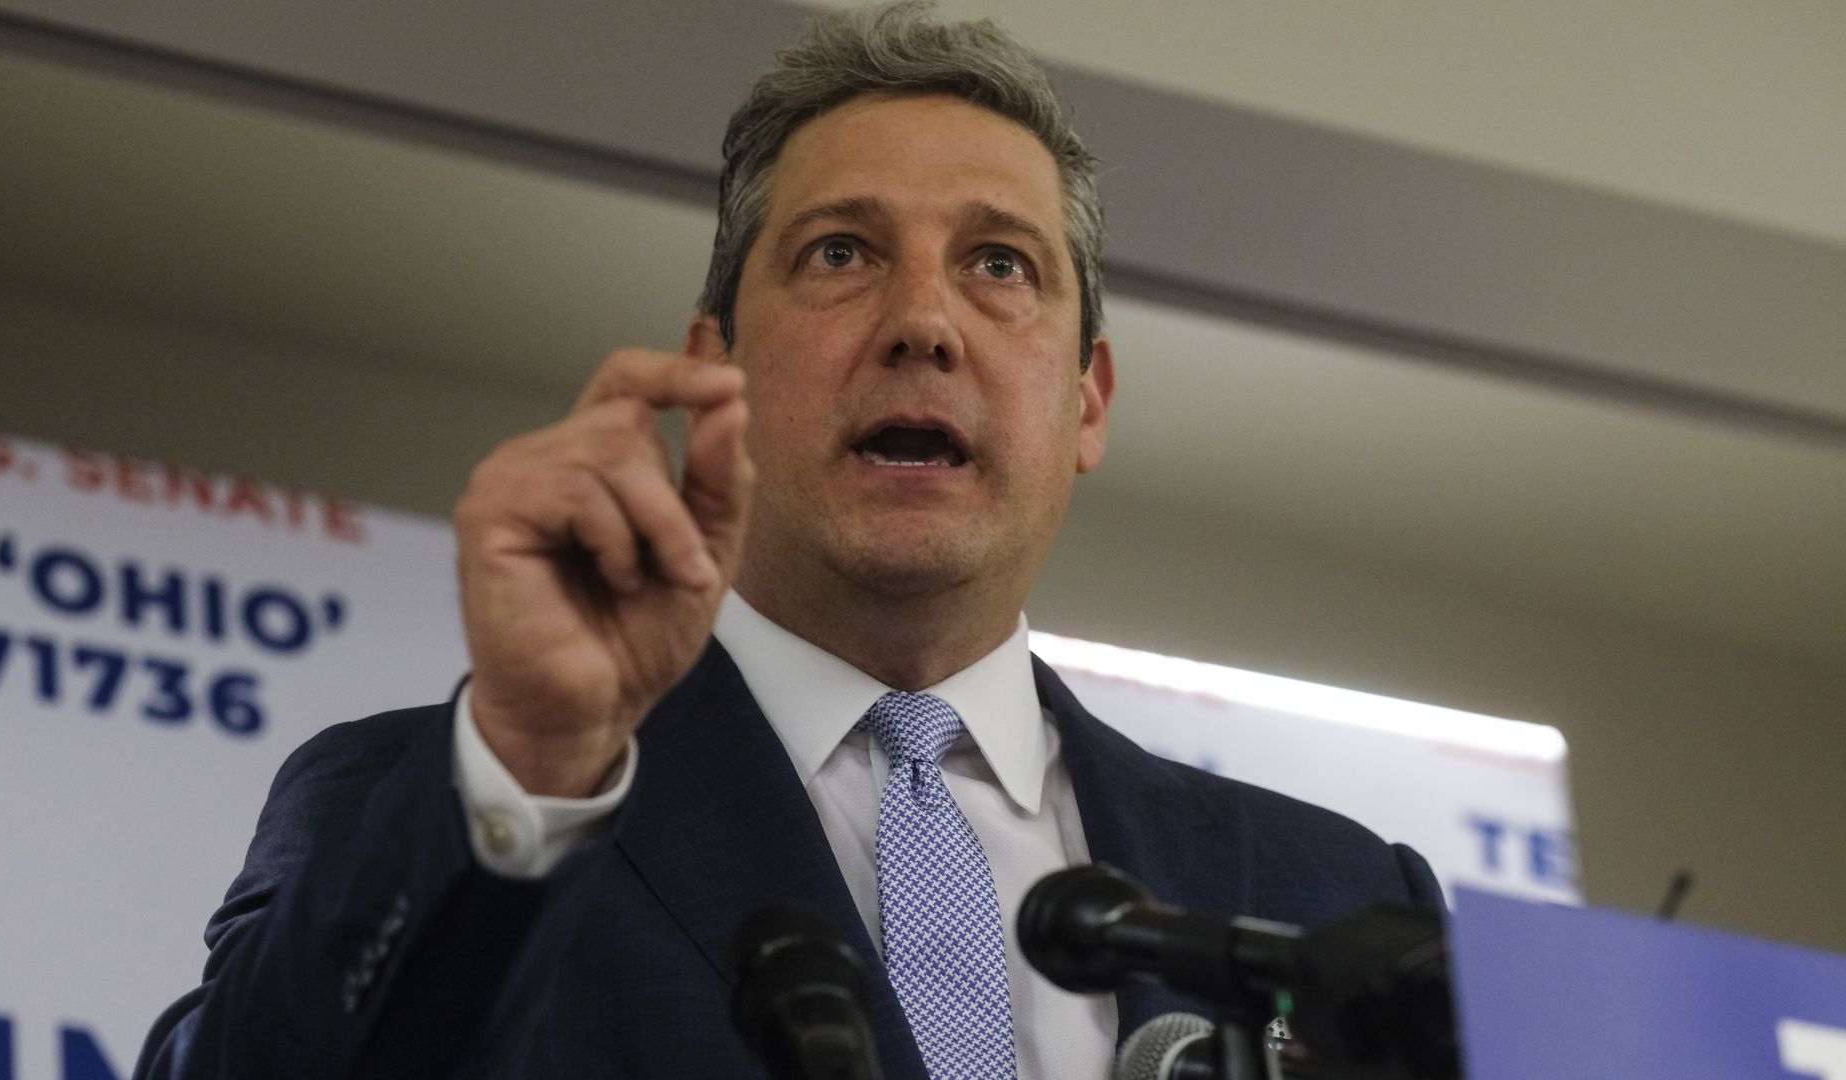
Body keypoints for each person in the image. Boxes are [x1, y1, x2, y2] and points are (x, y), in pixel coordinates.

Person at [138, 5, 1441, 1079]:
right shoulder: (445, 803)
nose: (925, 321)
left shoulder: (1334, 895)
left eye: (999, 265)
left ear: (1087, 400)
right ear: (716, 365)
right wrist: (530, 759)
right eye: (840, 252)